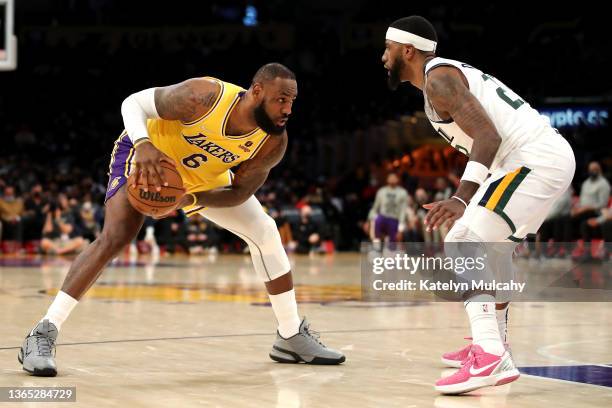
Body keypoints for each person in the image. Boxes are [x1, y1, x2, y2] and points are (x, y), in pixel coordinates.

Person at [19, 63, 345, 377]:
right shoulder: (204, 96)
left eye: (291, 101)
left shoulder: (273, 142)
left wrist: (188, 199)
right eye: (280, 99)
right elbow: (134, 103)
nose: (287, 109)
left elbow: (239, 192)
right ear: (257, 91)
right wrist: (144, 143)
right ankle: (42, 333)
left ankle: (289, 336)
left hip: (200, 180)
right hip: (149, 157)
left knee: (265, 230)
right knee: (117, 235)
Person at [382, 16, 575, 394]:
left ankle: (489, 355)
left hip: (532, 159)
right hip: (532, 160)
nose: (383, 56)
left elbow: (488, 135)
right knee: (495, 254)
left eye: (387, 49)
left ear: (407, 50)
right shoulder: (437, 80)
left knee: (462, 239)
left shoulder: (439, 78)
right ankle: (494, 345)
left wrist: (460, 198)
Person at [368, 173, 408, 249]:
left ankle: (390, 249)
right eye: (390, 177)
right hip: (382, 218)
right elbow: (375, 208)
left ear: (397, 180)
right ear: (387, 179)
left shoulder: (403, 193)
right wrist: (368, 221)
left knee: (392, 247)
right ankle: (376, 248)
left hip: (394, 219)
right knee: (376, 220)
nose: (392, 179)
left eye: (394, 177)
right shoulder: (381, 191)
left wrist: (400, 229)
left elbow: (403, 212)